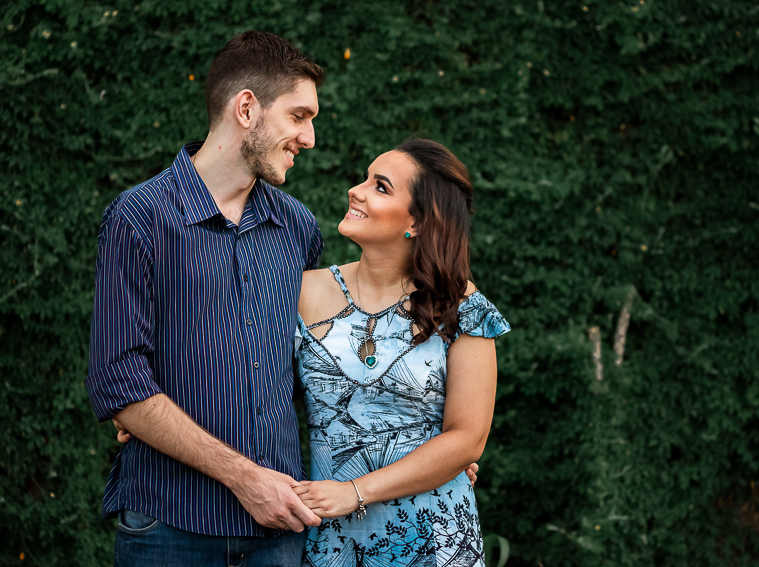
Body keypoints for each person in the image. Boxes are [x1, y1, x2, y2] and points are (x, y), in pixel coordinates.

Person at [85, 31, 326, 565]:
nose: (309, 138)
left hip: (279, 533)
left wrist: (424, 443)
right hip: (169, 526)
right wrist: (246, 479)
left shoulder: (298, 228)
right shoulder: (139, 218)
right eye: (299, 116)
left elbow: (322, 366)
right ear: (247, 108)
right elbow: (117, 379)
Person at [291, 138, 510, 565]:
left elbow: (468, 438)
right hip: (334, 540)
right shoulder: (302, 291)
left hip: (434, 537)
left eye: (380, 186)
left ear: (418, 222)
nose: (355, 190)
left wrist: (354, 492)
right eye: (365, 179)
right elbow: (256, 390)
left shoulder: (461, 305)